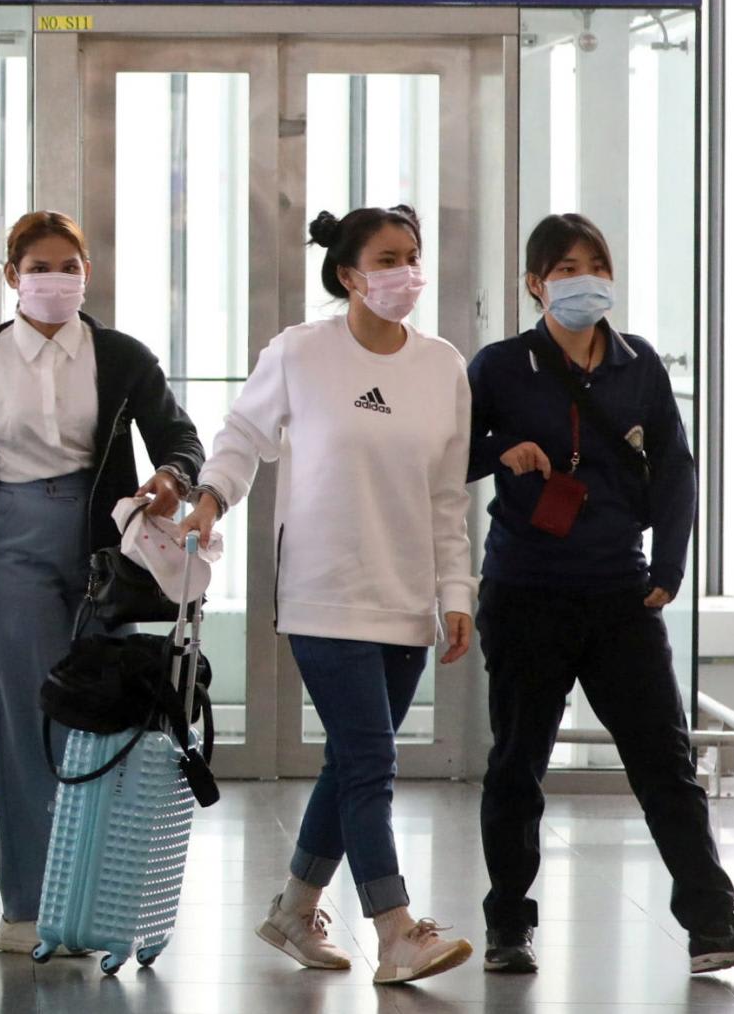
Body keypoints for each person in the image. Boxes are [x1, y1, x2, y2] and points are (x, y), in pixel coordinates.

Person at [467, 214, 734, 976]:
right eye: (565, 267)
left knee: (666, 764)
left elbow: (675, 470)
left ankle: (712, 923)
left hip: (620, 597)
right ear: (535, 283)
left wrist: (668, 571)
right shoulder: (502, 366)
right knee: (519, 763)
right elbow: (451, 453)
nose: (584, 279)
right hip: (528, 594)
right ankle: (509, 924)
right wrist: (497, 451)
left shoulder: (638, 367)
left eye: (596, 264)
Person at [0, 210, 205, 957]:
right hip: (13, 541)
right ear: (12, 276)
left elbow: (178, 436)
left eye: (70, 267)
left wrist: (172, 475)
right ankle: (29, 904)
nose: (56, 281)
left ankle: (92, 898)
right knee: (32, 722)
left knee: (99, 717)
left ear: (86, 275)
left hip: (102, 547)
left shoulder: (121, 356)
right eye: (41, 268)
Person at [180, 205, 477, 985]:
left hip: (406, 595)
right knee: (372, 759)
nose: (405, 272)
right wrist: (210, 497)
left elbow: (448, 497)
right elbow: (242, 436)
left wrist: (457, 592)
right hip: (321, 591)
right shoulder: (300, 353)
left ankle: (290, 910)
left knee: (349, 761)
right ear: (348, 274)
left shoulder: (444, 365)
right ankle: (396, 929)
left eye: (412, 256)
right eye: (387, 259)